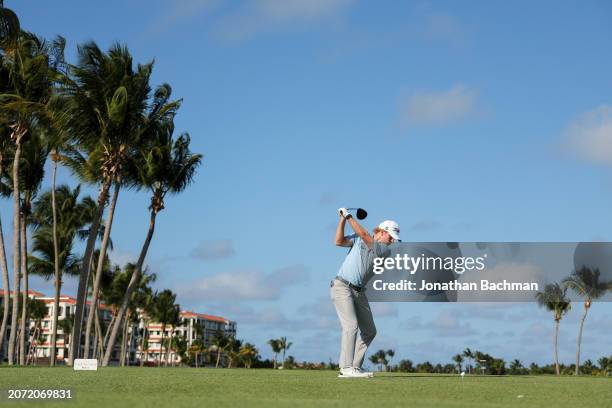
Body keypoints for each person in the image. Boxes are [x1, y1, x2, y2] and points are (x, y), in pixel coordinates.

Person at [331, 207, 400, 378]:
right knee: (351, 326)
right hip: (341, 286)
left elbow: (364, 236)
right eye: (390, 236)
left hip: (359, 292)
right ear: (382, 232)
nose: (392, 241)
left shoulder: (385, 250)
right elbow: (338, 241)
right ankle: (346, 368)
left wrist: (348, 216)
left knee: (370, 331)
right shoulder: (360, 238)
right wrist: (342, 220)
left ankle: (354, 366)